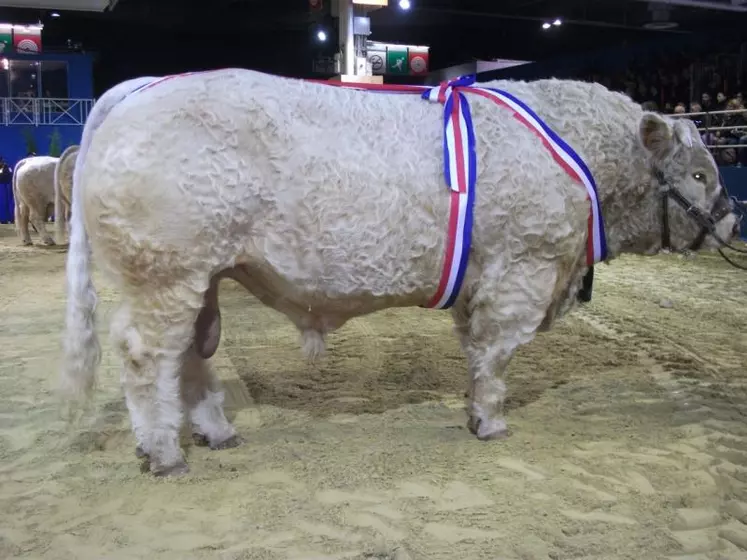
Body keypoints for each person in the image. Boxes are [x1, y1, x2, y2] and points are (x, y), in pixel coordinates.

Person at [0, 156, 12, 224]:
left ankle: (6, 218)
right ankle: (3, 218)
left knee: (5, 203)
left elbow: (9, 175)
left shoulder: (7, 167)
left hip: (5, 186)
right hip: (2, 186)